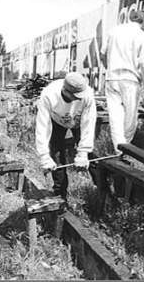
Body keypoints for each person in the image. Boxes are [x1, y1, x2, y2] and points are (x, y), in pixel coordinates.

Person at [35, 72, 97, 200]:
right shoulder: (49, 95)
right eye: (76, 96)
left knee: (91, 156)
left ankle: (102, 190)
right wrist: (44, 156)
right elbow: (42, 126)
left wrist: (83, 152)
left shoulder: (87, 94)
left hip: (78, 121)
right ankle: (60, 195)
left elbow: (88, 124)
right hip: (57, 121)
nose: (79, 99)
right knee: (57, 156)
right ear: (65, 91)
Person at [101, 10, 144, 154]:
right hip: (130, 80)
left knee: (115, 119)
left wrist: (110, 68)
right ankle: (123, 152)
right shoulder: (141, 35)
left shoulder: (113, 31)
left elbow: (102, 54)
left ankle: (119, 152)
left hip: (111, 79)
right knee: (130, 122)